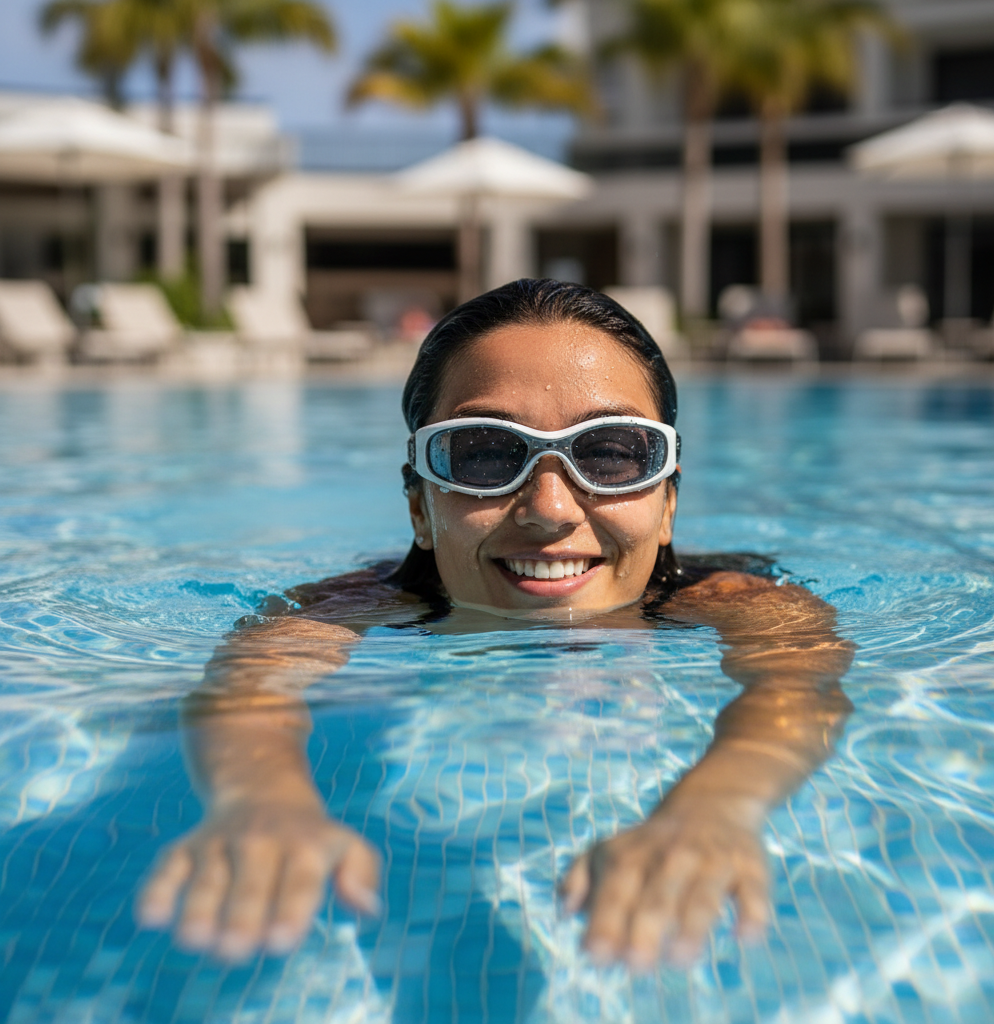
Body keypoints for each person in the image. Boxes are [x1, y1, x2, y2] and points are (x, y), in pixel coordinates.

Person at [136, 279, 853, 970]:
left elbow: (795, 685)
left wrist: (714, 810)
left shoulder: (740, 599)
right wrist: (263, 800)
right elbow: (251, 686)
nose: (550, 509)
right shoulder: (351, 604)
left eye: (609, 452)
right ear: (420, 507)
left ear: (666, 503)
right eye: (483, 454)